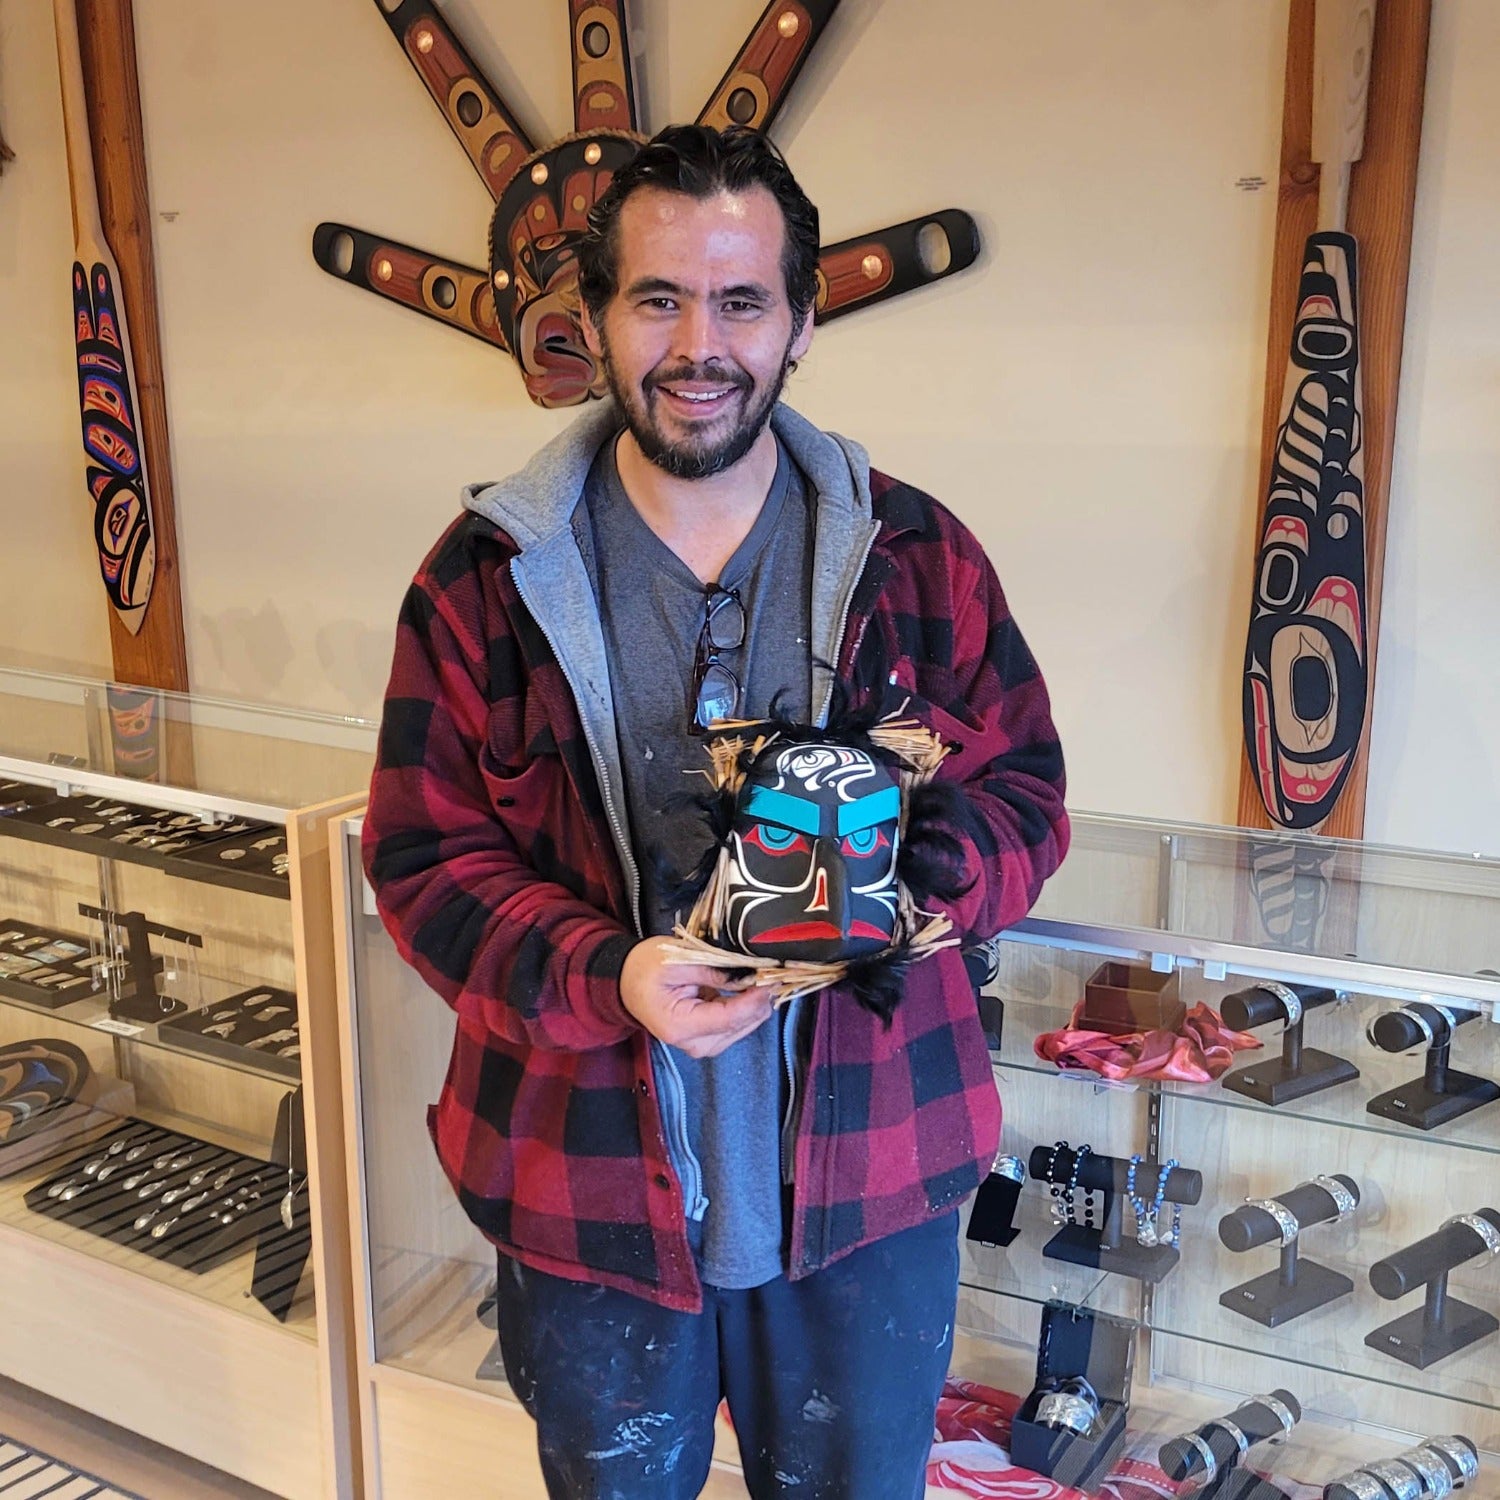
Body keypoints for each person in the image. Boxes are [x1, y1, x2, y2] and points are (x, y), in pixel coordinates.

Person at [363, 123, 1068, 1499]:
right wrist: (607, 973)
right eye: (659, 298)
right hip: (588, 1193)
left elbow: (1027, 792)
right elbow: (423, 859)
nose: (702, 343)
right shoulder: (486, 578)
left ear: (802, 323)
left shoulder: (917, 554)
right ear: (596, 321)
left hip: (874, 1178)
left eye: (742, 301)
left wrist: (922, 890)